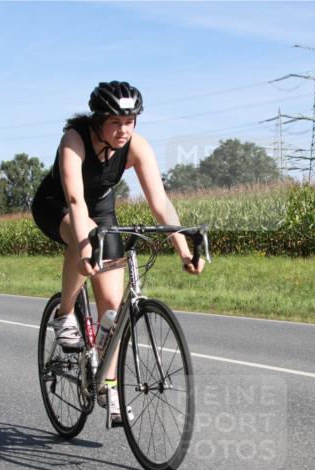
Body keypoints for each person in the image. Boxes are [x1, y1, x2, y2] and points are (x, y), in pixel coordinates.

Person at [31, 81, 205, 424]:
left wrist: (184, 251)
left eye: (130, 122)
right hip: (57, 206)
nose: (124, 130)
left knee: (112, 307)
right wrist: (85, 249)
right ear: (98, 121)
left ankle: (105, 383)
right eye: (115, 122)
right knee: (82, 235)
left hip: (102, 211)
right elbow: (76, 201)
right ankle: (64, 314)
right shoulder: (74, 139)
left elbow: (160, 203)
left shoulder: (136, 146)